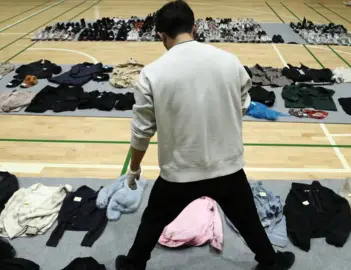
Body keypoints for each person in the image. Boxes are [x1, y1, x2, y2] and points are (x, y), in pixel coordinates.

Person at [115, 1, 295, 269]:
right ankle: (269, 261)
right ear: (194, 28)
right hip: (228, 168)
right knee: (247, 218)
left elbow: (142, 131)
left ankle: (134, 264)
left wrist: (134, 168)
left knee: (153, 219)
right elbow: (243, 105)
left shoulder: (151, 74)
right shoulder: (230, 62)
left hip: (179, 171)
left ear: (161, 35)